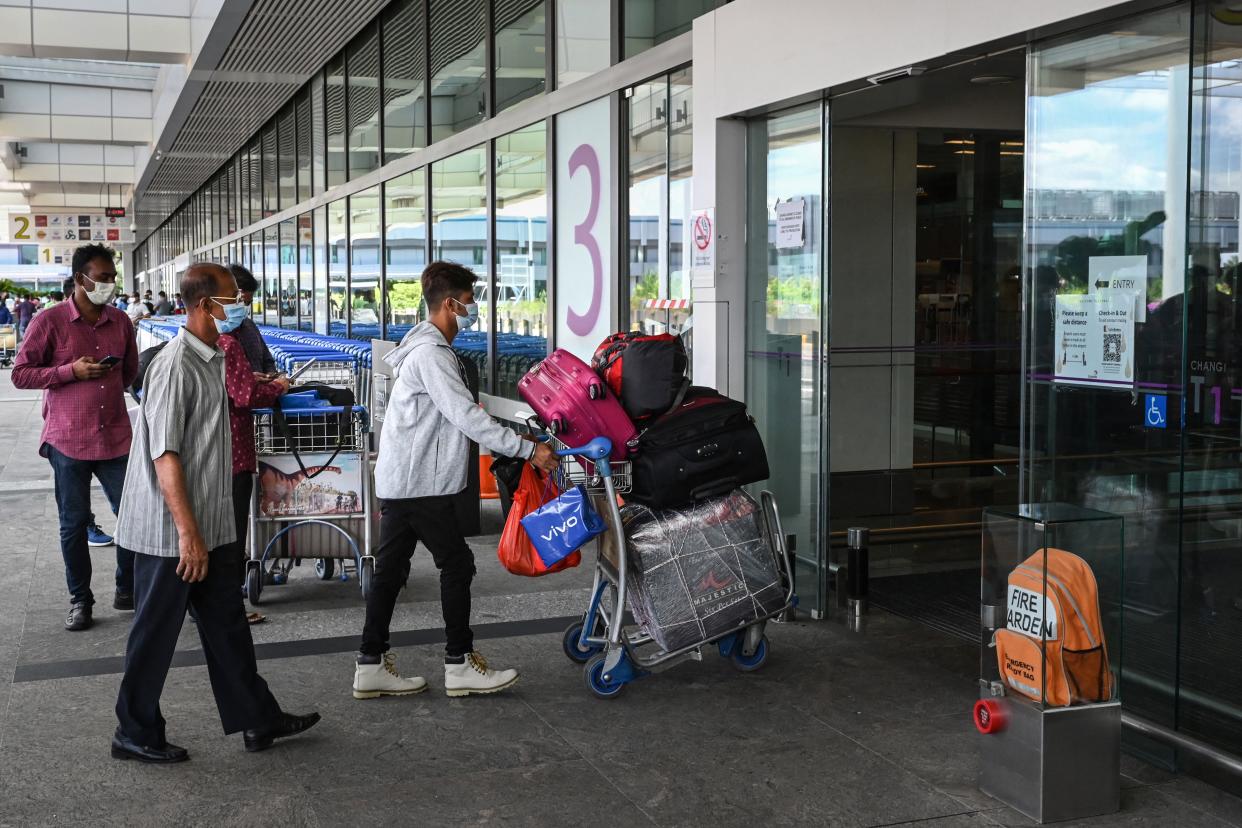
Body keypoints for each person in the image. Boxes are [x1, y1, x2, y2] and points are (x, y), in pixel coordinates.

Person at [112, 262, 319, 764]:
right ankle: (134, 730)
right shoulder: (175, 366)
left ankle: (257, 717)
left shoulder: (212, 358)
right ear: (206, 305)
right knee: (156, 628)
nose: (241, 304)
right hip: (172, 530)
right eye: (233, 297)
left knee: (226, 620)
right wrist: (187, 534)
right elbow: (166, 456)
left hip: (212, 519)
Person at [352, 261, 559, 700]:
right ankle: (459, 662)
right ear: (449, 303)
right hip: (419, 482)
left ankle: (370, 664)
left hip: (403, 480)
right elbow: (465, 416)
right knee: (457, 564)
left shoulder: (421, 347)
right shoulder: (431, 354)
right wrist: (528, 450)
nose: (473, 309)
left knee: (390, 571)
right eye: (469, 301)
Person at [11, 244, 137, 630]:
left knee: (134, 517)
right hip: (69, 440)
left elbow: (129, 372)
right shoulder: (49, 322)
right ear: (80, 278)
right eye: (102, 278)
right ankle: (80, 599)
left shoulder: (120, 321)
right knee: (73, 523)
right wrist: (69, 372)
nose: (110, 285)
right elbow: (21, 373)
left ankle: (126, 588)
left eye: (113, 278)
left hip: (115, 436)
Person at [218, 299, 291, 625]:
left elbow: (238, 385)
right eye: (233, 298)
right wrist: (277, 386)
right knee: (231, 531)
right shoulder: (228, 344)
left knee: (219, 530)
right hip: (234, 448)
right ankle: (228, 604)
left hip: (216, 450)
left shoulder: (196, 344)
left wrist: (253, 378)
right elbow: (244, 396)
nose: (241, 305)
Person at [227, 265, 279, 376]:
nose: (244, 307)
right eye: (240, 302)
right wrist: (250, 381)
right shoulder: (215, 335)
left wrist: (271, 376)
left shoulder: (250, 326)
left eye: (248, 303)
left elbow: (267, 359)